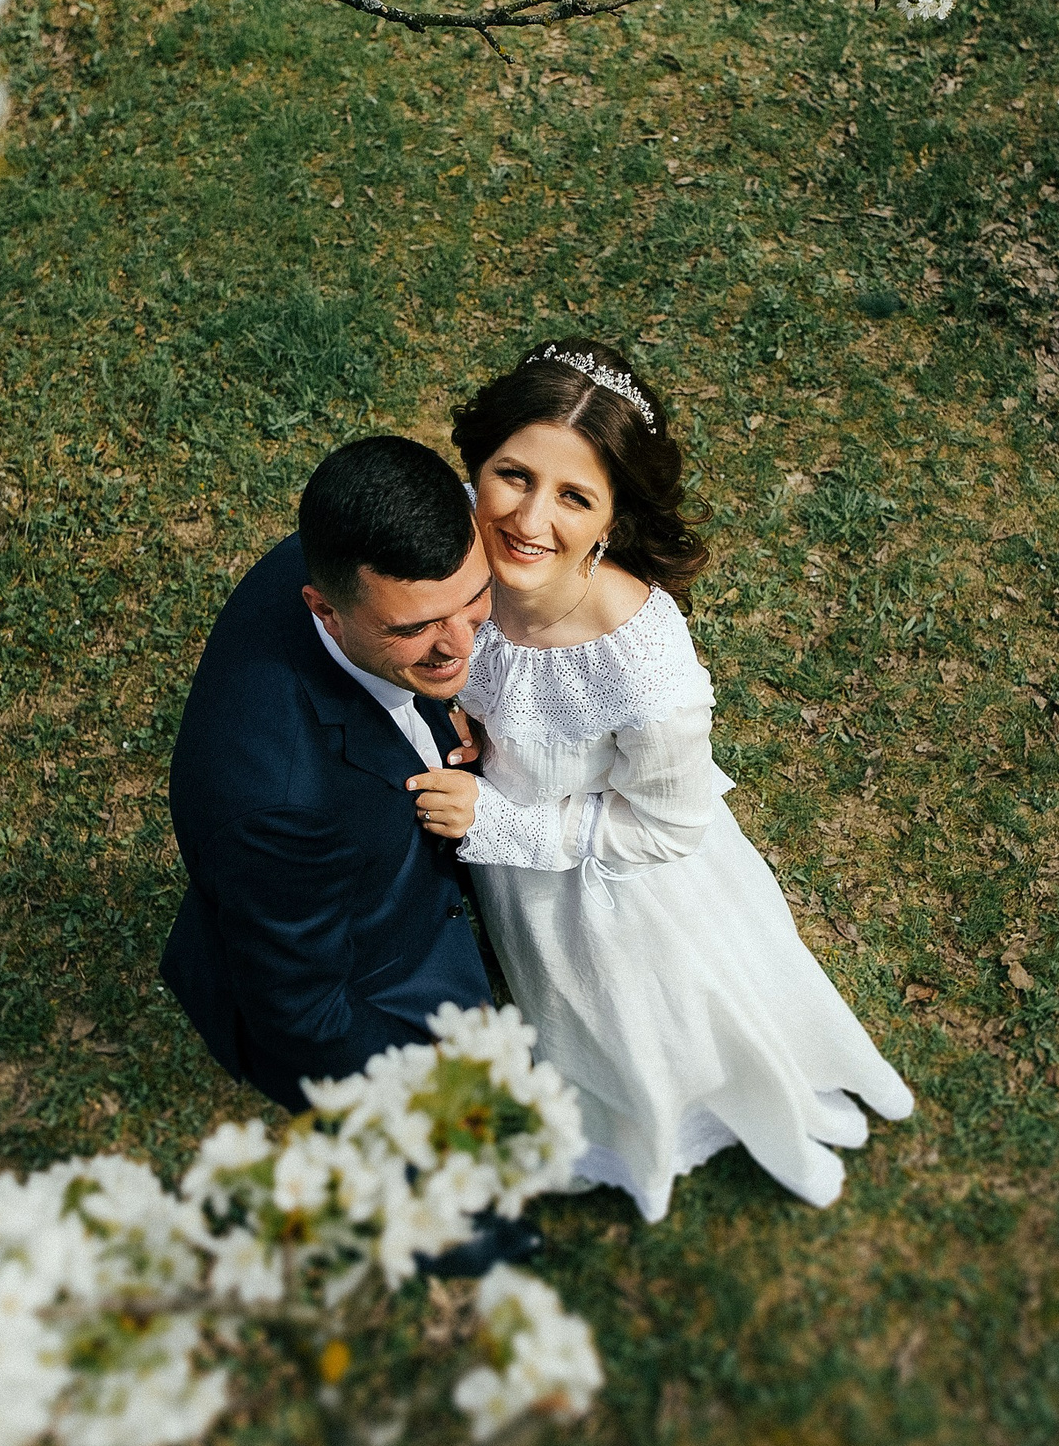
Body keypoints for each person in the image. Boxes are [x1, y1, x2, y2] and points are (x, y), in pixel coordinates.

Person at [441, 339, 914, 1222]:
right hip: (515, 884)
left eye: (574, 497)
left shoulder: (639, 657)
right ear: (478, 464)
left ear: (612, 519)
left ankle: (681, 1124)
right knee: (561, 1015)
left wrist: (499, 822)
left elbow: (665, 826)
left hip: (617, 894)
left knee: (643, 1028)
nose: (528, 518)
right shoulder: (453, 544)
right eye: (512, 475)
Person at [158, 436, 530, 1267]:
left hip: (366, 881)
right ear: (324, 609)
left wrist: (439, 713)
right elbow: (309, 1020)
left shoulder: (349, 554)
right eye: (415, 630)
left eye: (471, 601)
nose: (458, 648)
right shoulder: (279, 801)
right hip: (366, 981)